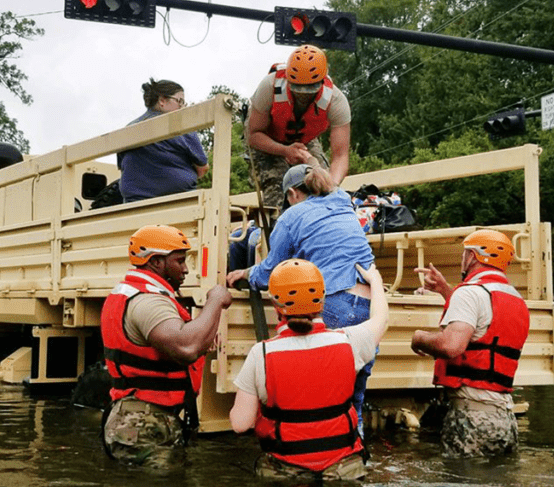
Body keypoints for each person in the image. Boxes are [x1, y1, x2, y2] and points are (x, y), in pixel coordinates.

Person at [225, 163, 376, 433]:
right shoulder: (342, 200)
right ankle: (353, 452)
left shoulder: (292, 216)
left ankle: (309, 455)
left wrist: (245, 273)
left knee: (317, 395)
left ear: (293, 193)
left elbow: (272, 271)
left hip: (334, 301)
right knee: (353, 401)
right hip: (368, 302)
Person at [229, 259, 389, 481]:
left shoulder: (261, 354)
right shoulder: (349, 342)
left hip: (288, 471)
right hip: (343, 469)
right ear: (322, 302)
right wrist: (375, 281)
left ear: (276, 306)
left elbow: (240, 424)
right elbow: (381, 318)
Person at [100, 224, 232, 466]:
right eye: (179, 261)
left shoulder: (136, 292)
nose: (185, 269)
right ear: (156, 262)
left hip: (141, 417)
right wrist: (215, 300)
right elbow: (186, 347)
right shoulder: (148, 301)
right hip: (143, 422)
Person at [410, 229, 530, 457]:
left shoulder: (470, 293)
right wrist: (446, 291)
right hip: (504, 418)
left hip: (472, 417)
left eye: (465, 253)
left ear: (473, 256)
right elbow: (483, 325)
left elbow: (451, 346)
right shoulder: (515, 299)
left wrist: (419, 338)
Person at [245, 44, 352, 208]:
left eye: (309, 91)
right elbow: (253, 135)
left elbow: (341, 156)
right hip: (266, 140)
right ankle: (277, 226)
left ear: (321, 82)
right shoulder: (269, 87)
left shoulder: (336, 101)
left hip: (305, 140)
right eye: (297, 90)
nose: (302, 95)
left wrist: (331, 186)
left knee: (321, 182)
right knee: (277, 188)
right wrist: (284, 150)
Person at [117, 78, 209, 203]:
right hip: (179, 202)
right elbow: (203, 168)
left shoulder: (127, 130)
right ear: (162, 100)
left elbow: (122, 165)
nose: (182, 107)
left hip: (133, 204)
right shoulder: (181, 128)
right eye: (179, 101)